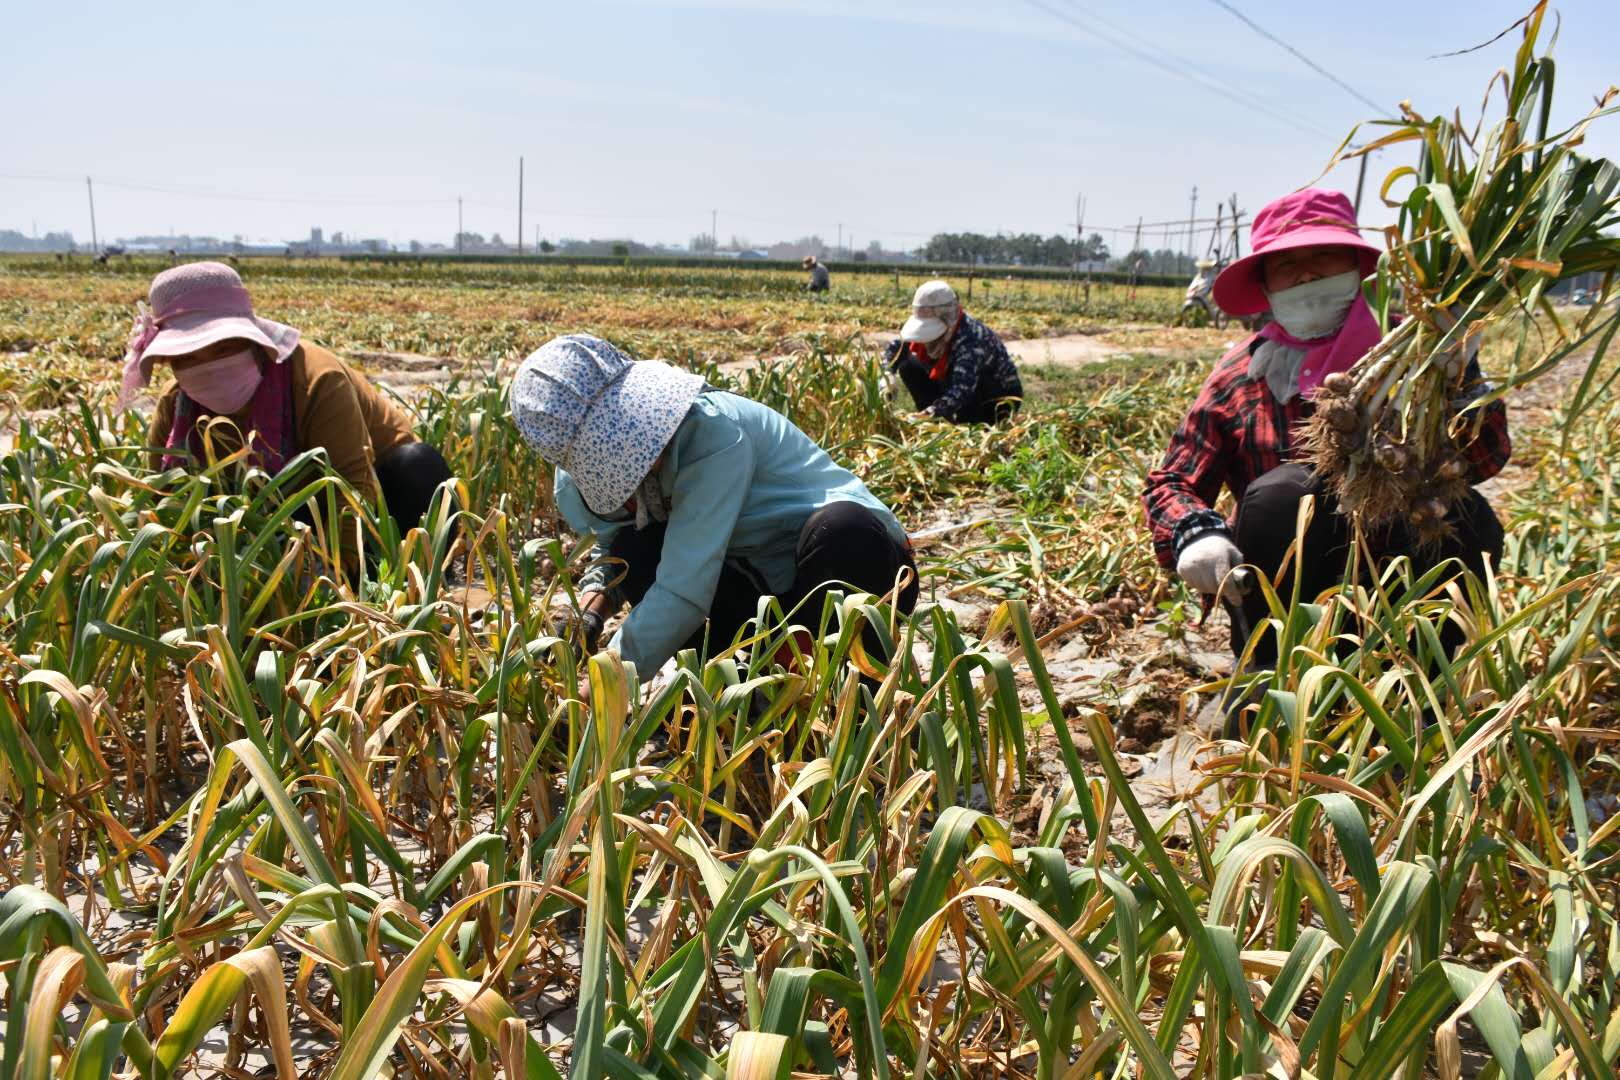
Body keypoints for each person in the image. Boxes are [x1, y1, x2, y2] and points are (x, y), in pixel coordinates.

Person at [1142, 188, 1510, 668]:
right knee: (1286, 495)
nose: (1307, 274)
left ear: (1358, 267)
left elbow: (1485, 458)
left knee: (1467, 516)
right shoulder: (1242, 372)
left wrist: (1462, 379)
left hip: (1405, 571)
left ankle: (1420, 677)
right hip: (1290, 592)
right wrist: (1196, 532)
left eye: (1323, 255)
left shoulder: (1419, 354)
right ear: (1266, 284)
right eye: (1287, 265)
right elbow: (1174, 479)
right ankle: (1270, 678)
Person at [509, 334, 917, 675]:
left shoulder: (714, 434)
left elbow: (684, 589)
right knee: (635, 551)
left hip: (847, 573)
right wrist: (589, 612)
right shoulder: (576, 485)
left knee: (842, 530)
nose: (642, 456)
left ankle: (846, 685)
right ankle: (748, 682)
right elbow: (614, 547)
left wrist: (602, 687)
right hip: (756, 589)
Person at [122, 262, 453, 543]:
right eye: (187, 356)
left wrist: (338, 581)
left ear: (254, 342)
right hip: (277, 512)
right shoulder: (175, 403)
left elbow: (352, 487)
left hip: (374, 497)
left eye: (223, 348)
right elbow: (159, 496)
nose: (208, 366)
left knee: (417, 464)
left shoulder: (316, 379)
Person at [884, 280, 1022, 423]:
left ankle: (962, 419)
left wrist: (927, 414)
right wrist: (887, 374)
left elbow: (962, 390)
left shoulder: (971, 340)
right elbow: (897, 346)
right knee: (909, 366)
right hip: (961, 384)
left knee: (967, 418)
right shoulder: (931, 322)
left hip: (994, 395)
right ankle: (936, 419)